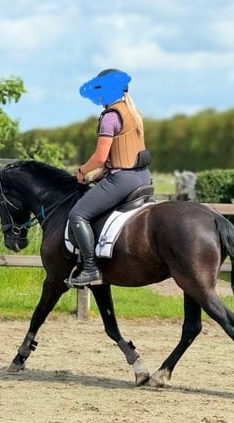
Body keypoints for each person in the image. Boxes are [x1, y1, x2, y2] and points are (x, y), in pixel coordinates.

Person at [68, 68, 152, 287]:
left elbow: (99, 156)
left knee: (78, 214)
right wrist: (104, 171)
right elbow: (125, 152)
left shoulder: (110, 117)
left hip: (123, 181)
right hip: (142, 177)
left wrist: (82, 171)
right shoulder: (133, 112)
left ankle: (90, 268)